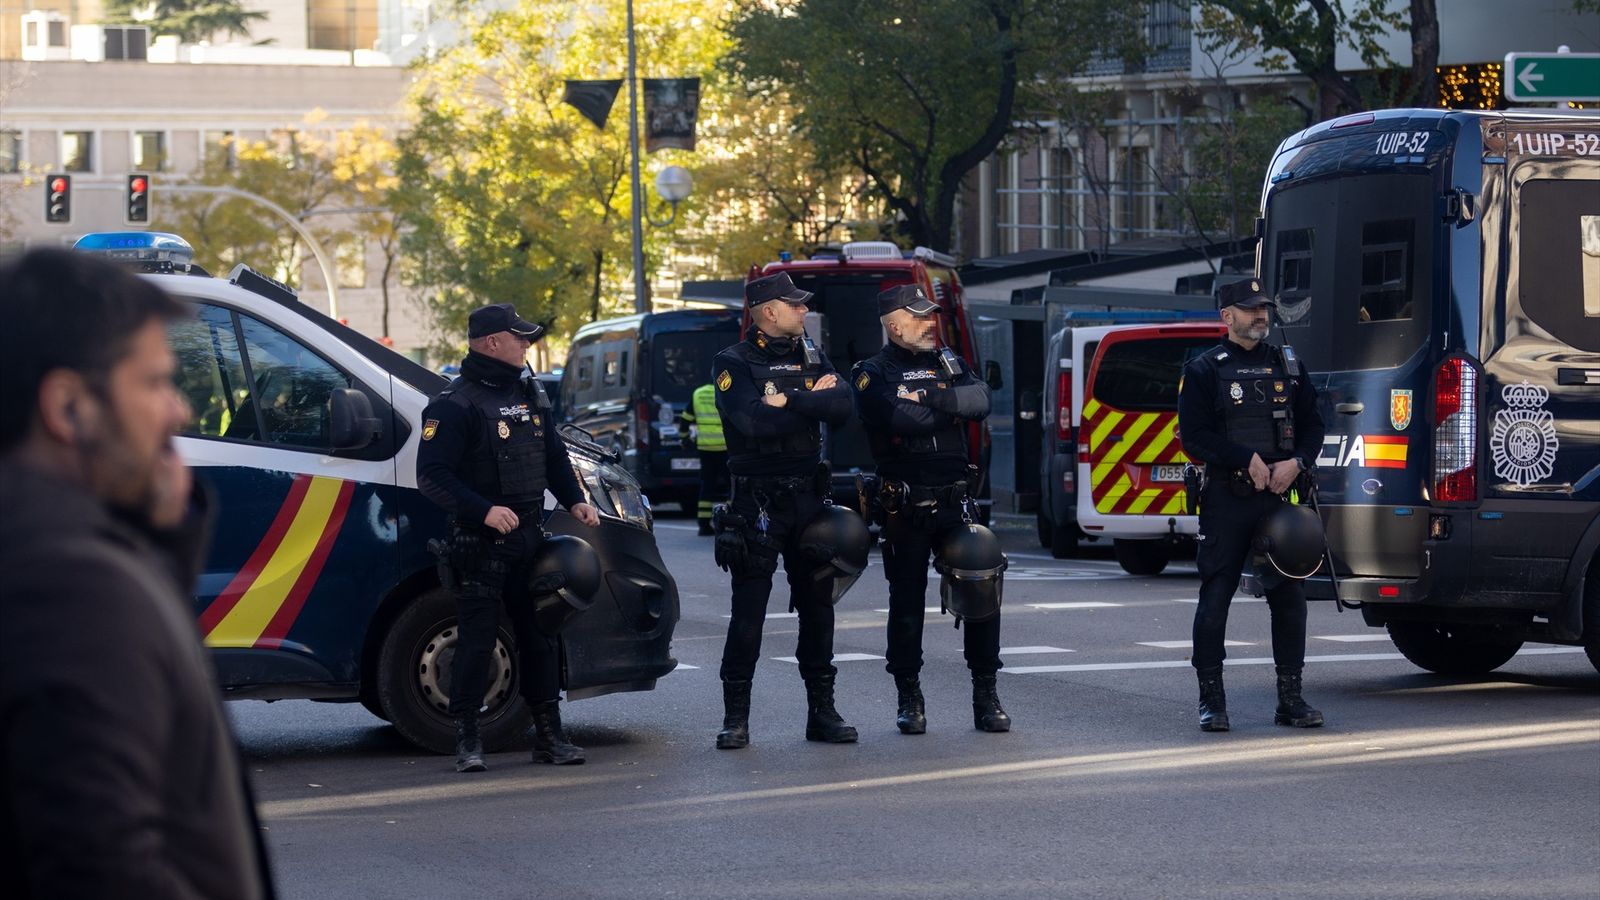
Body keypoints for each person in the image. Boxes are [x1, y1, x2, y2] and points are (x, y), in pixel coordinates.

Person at [0, 248, 276, 899]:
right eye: (154, 383)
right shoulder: (73, 587)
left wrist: (156, 544)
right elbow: (100, 865)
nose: (178, 411)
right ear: (69, 407)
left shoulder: (45, 549)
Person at [417, 303, 602, 772]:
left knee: (541, 639)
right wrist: (484, 511)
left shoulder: (529, 393)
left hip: (530, 535)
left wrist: (576, 499)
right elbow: (432, 476)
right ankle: (468, 740)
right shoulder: (453, 403)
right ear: (492, 342)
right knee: (477, 643)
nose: (526, 345)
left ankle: (549, 736)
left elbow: (554, 457)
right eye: (519, 338)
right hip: (480, 544)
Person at [853, 285, 1009, 735]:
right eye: (919, 316)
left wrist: (932, 399)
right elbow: (898, 419)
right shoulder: (872, 372)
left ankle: (986, 693)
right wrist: (949, 404)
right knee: (906, 603)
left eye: (931, 315)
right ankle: (909, 695)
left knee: (982, 589)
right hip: (906, 504)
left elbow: (981, 402)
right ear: (893, 323)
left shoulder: (948, 362)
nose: (930, 323)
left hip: (955, 499)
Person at [711, 271, 856, 749]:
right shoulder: (732, 361)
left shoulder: (809, 353)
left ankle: (822, 713)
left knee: (818, 608)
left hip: (809, 500)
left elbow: (843, 406)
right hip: (758, 502)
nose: (803, 311)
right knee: (748, 613)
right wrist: (813, 398)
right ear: (768, 311)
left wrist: (792, 397)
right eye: (795, 305)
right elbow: (752, 421)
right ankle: (736, 718)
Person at [1176, 278, 1327, 732]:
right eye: (1249, 309)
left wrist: (1298, 462)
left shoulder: (1289, 364)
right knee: (1216, 595)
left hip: (1279, 495)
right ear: (1227, 317)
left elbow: (1314, 426)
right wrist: (1245, 458)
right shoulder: (1204, 369)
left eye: (1263, 308)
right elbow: (1195, 436)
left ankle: (1291, 698)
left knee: (1290, 596)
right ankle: (1211, 700)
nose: (1260, 315)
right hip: (1227, 496)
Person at [681, 373, 729, 536]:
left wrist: (685, 439)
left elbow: (685, 419)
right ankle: (731, 522)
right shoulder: (725, 392)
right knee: (732, 486)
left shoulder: (698, 393)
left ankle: (703, 524)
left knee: (707, 485)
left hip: (705, 448)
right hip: (725, 448)